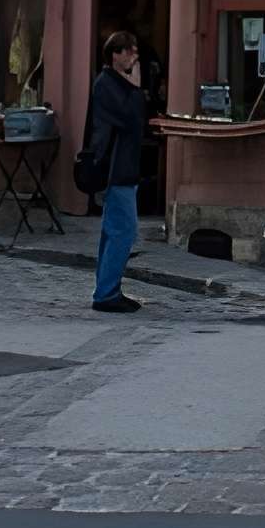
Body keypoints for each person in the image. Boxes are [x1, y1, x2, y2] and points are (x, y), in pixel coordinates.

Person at [86, 28, 154, 314]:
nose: (134, 57)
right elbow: (131, 118)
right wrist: (136, 88)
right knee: (123, 230)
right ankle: (106, 293)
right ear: (116, 54)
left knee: (114, 230)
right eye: (130, 51)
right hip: (115, 167)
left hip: (125, 166)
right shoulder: (107, 84)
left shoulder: (116, 83)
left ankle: (107, 289)